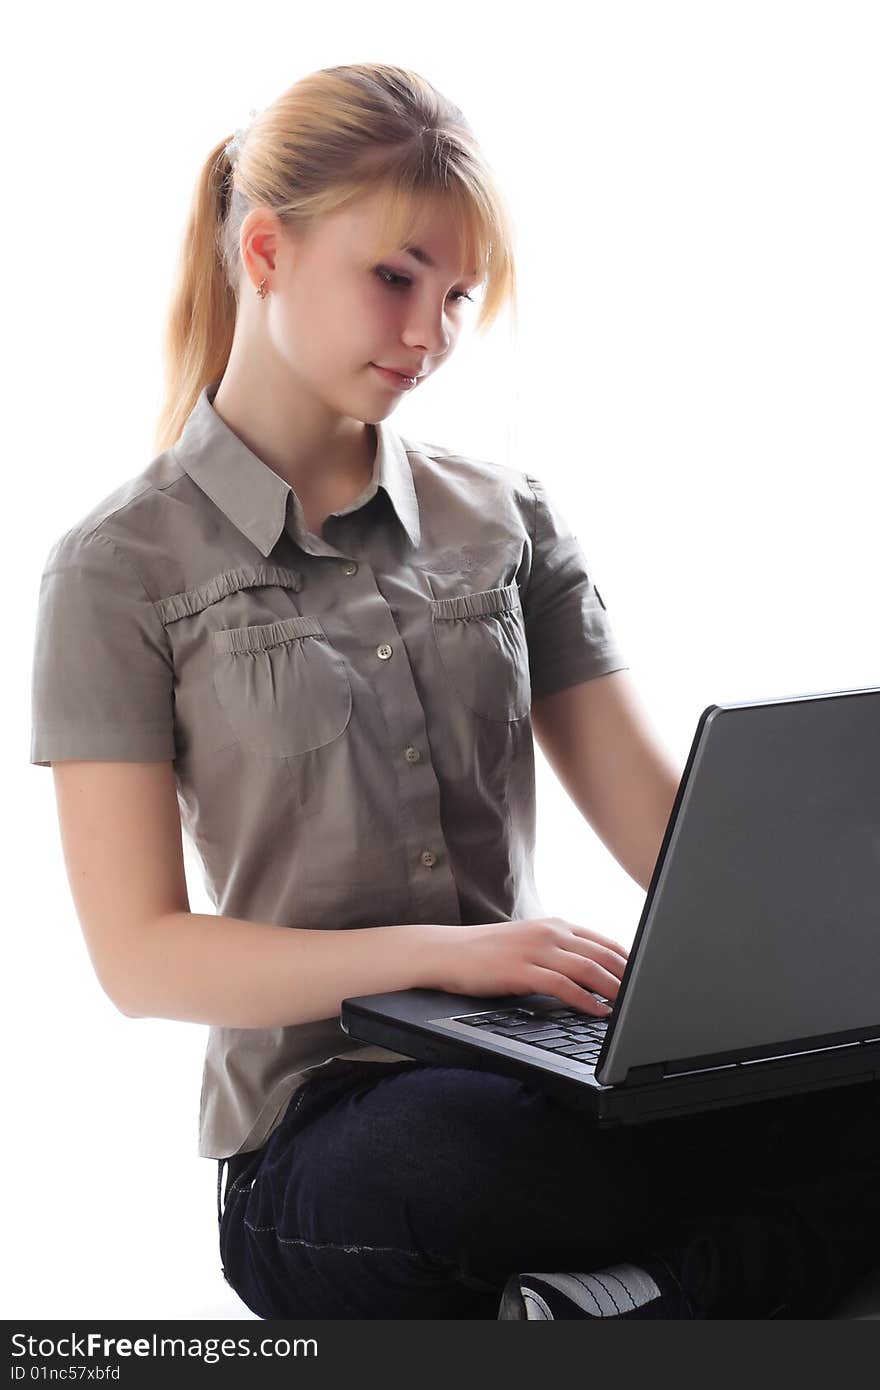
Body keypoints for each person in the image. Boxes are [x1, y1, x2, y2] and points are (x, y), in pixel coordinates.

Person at [29, 61, 879, 1321]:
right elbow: (142, 958)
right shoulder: (118, 568)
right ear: (265, 250)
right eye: (394, 278)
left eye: (459, 294)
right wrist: (466, 957)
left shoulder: (506, 518)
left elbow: (664, 831)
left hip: (547, 1070)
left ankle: (638, 1299)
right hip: (330, 1131)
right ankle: (714, 1269)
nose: (428, 333)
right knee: (466, 1156)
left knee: (847, 1082)